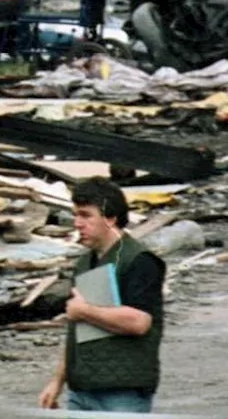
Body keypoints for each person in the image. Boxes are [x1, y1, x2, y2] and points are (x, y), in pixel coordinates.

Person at [38, 177, 167, 413]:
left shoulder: (139, 261)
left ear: (110, 218)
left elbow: (139, 322)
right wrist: (57, 381)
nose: (77, 223)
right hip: (81, 391)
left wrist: (84, 310)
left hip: (121, 393)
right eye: (75, 215)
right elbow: (77, 331)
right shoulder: (85, 262)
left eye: (86, 215)